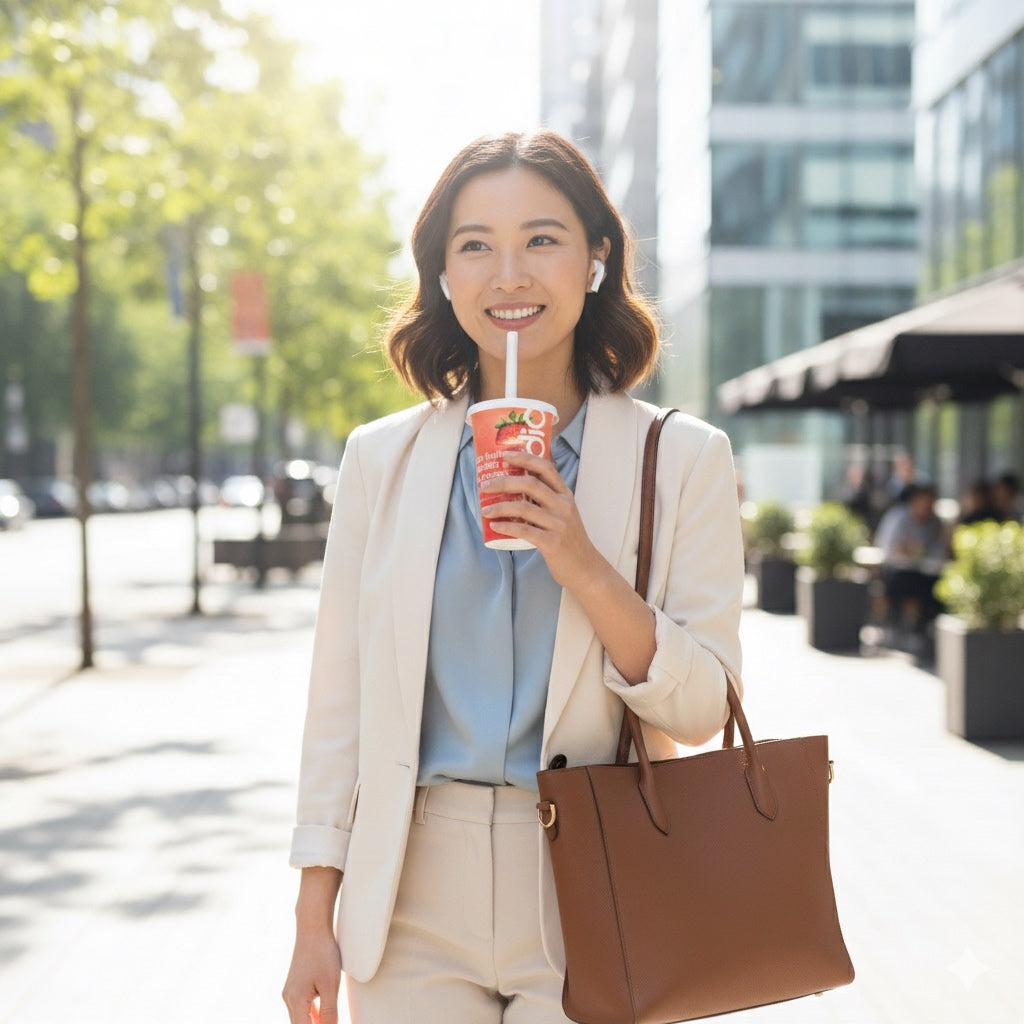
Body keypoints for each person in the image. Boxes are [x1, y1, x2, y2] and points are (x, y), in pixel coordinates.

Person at [281, 129, 745, 1024]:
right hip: (409, 895)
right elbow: (338, 702)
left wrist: (581, 561)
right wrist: (313, 916)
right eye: (474, 247)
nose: (509, 275)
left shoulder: (681, 459)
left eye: (541, 239)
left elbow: (704, 710)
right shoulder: (383, 460)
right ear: (443, 276)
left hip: (597, 885)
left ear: (597, 259)